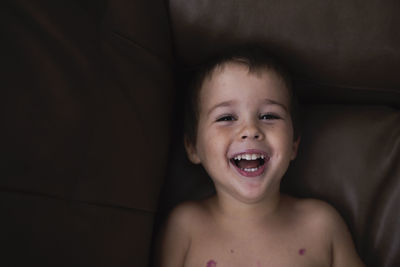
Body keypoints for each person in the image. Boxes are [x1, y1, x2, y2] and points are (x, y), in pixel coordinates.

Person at [154, 47, 365, 267]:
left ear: (294, 144)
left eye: (268, 115)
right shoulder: (184, 227)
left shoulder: (321, 224)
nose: (250, 129)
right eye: (226, 117)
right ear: (192, 147)